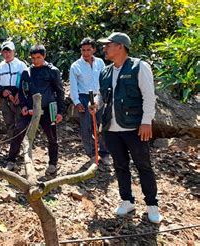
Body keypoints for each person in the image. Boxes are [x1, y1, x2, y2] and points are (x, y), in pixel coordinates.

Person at [95, 32, 161, 223]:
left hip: (134, 127)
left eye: (108, 45)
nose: (104, 49)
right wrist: (96, 105)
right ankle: (127, 200)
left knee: (143, 166)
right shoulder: (105, 72)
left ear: (120, 47)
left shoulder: (139, 67)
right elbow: (102, 97)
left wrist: (146, 121)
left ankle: (152, 204)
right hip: (111, 128)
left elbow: (149, 96)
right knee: (120, 165)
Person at [7, 45, 66, 173]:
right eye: (33, 58)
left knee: (52, 137)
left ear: (44, 56)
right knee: (18, 131)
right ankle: (11, 160)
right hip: (29, 109)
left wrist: (60, 112)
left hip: (47, 109)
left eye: (38, 57)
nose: (35, 61)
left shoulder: (53, 71)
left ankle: (53, 163)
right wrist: (23, 106)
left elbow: (60, 91)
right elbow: (22, 91)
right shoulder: (26, 72)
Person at [69, 37, 111, 164]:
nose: (86, 53)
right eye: (83, 50)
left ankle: (104, 153)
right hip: (84, 96)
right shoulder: (75, 66)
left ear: (94, 50)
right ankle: (92, 153)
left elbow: (104, 80)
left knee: (102, 125)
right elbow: (73, 86)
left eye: (88, 50)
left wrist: (105, 96)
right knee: (86, 127)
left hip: (99, 96)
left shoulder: (100, 63)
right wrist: (77, 102)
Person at [0, 40, 28, 138]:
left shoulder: (21, 65)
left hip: (19, 98)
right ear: (2, 53)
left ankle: (23, 141)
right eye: (5, 52)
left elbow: (26, 82)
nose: (7, 54)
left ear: (14, 52)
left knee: (20, 119)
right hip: (5, 99)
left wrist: (19, 94)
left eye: (9, 51)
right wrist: (3, 92)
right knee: (8, 120)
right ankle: (12, 141)